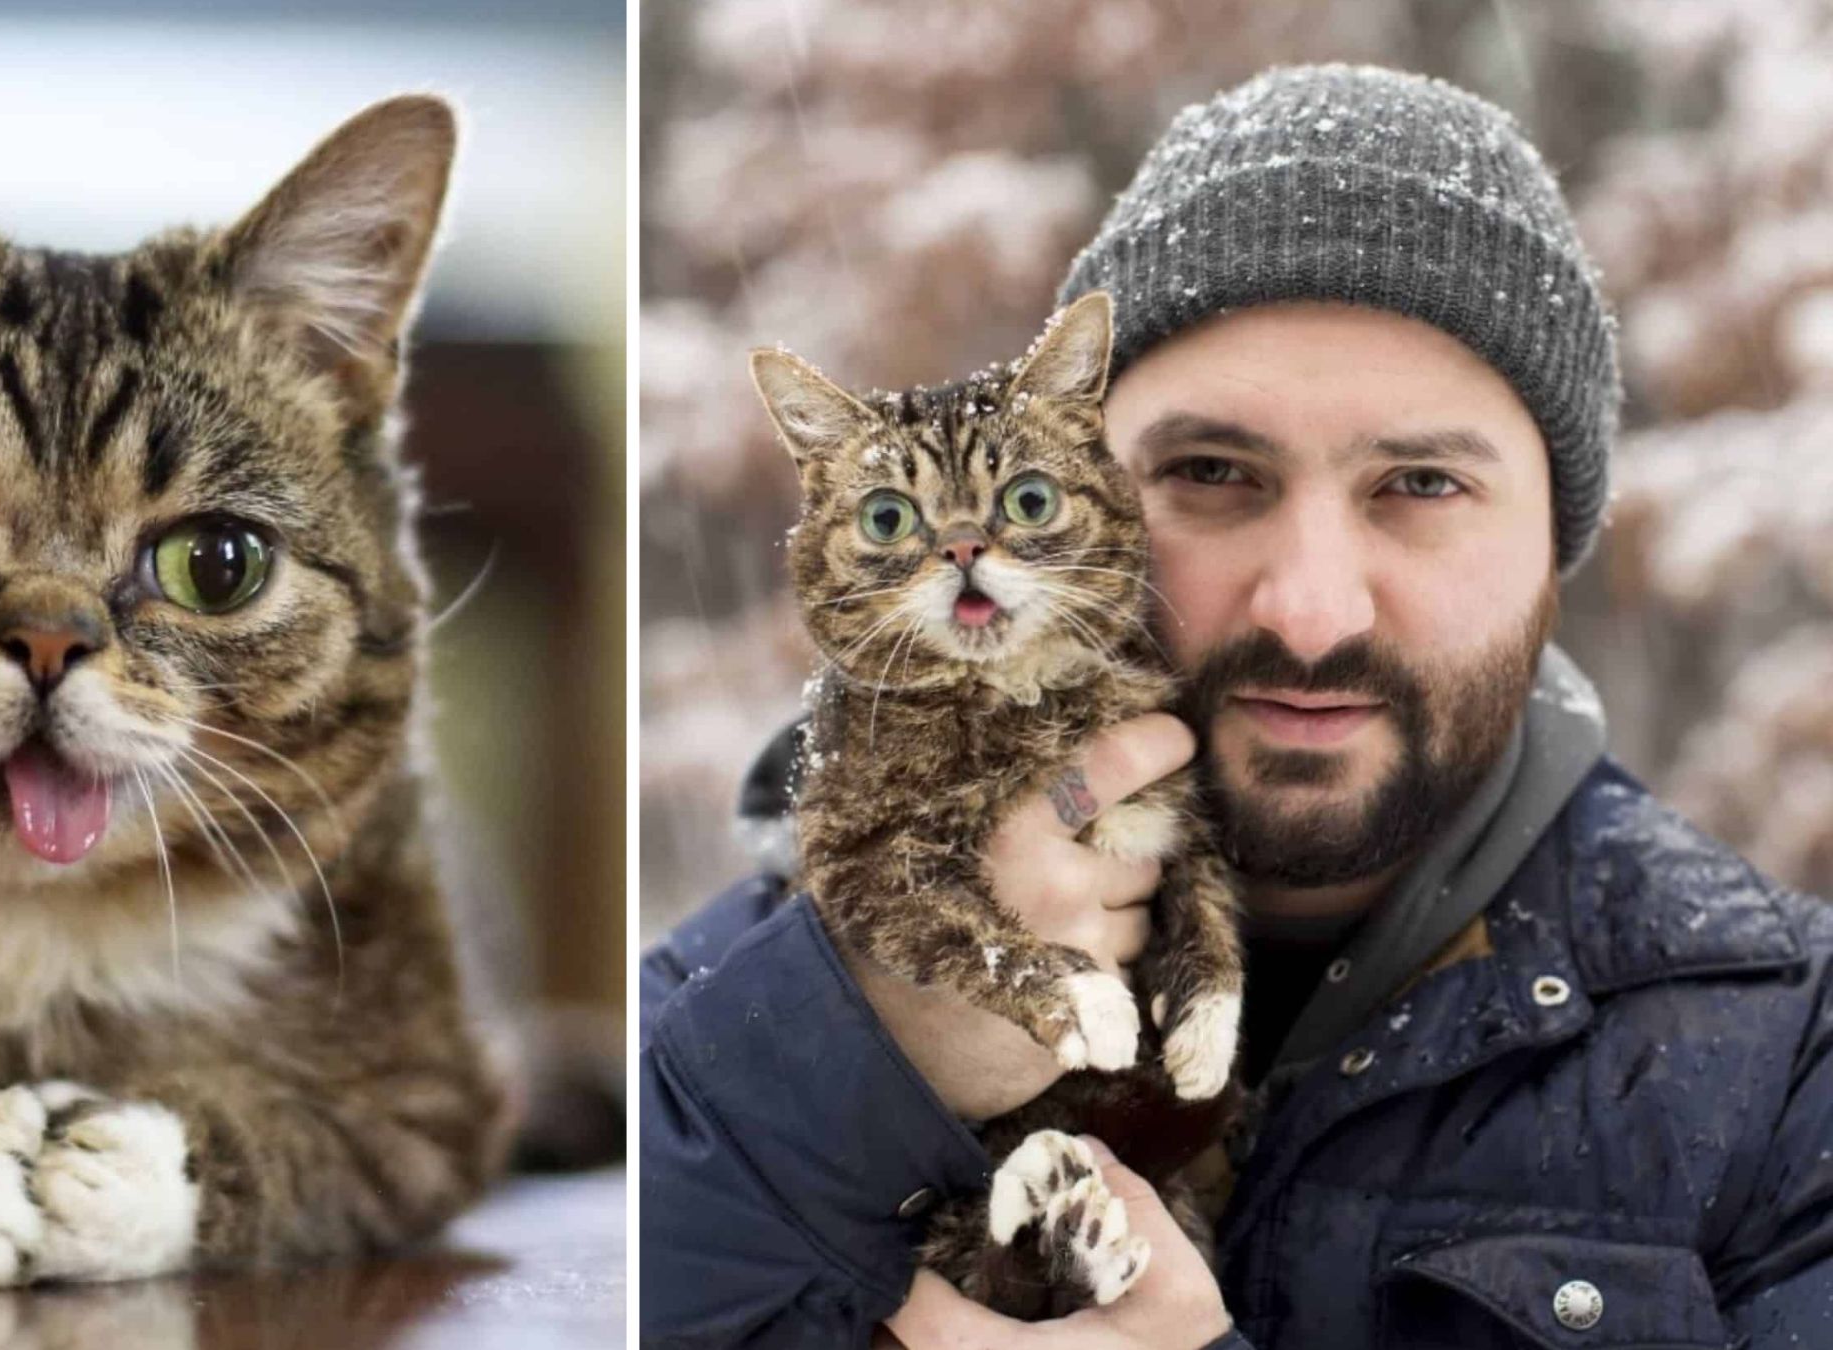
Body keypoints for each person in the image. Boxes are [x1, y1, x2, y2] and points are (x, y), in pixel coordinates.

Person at [639, 64, 1833, 1350]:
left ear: (1558, 548)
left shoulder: (1786, 1066)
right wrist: (858, 1051)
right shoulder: (721, 1019)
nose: (1311, 609)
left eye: (1421, 484)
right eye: (1212, 473)